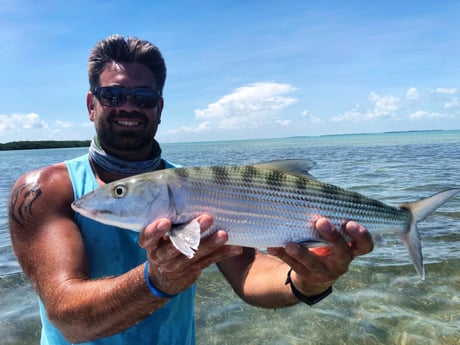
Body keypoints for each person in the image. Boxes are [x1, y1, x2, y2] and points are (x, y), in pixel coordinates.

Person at [8, 34, 374, 345]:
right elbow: (68, 318)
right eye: (114, 96)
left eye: (144, 97)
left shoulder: (201, 189)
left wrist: (306, 281)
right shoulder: (46, 190)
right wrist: (156, 280)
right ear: (92, 104)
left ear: (160, 107)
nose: (129, 107)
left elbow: (248, 275)